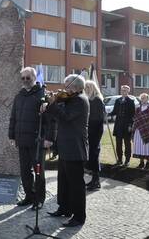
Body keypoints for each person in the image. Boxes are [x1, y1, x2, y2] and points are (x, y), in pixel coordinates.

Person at [9, 67, 57, 210]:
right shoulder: (19, 96)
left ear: (34, 78)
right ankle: (29, 196)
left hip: (37, 140)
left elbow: (51, 120)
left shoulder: (43, 95)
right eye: (22, 78)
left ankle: (39, 199)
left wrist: (49, 138)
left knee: (38, 171)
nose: (25, 80)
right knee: (25, 171)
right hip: (21, 140)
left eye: (28, 78)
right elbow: (13, 118)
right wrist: (11, 136)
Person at [46, 74, 89, 227]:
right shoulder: (69, 99)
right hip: (65, 147)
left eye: (67, 85)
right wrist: (50, 105)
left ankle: (79, 217)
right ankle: (64, 208)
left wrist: (53, 104)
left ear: (77, 87)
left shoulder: (80, 100)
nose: (64, 89)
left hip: (75, 148)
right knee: (63, 182)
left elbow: (66, 117)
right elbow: (57, 116)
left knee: (76, 185)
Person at [84, 80, 105, 191]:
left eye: (88, 87)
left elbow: (97, 118)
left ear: (93, 88)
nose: (86, 89)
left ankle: (96, 181)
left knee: (94, 154)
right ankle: (94, 179)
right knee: (91, 155)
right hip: (90, 130)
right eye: (85, 87)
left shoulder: (97, 100)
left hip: (95, 131)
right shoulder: (89, 99)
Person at [109, 85, 135, 166]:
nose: (123, 92)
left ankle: (127, 160)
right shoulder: (117, 101)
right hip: (118, 125)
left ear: (128, 92)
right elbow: (114, 111)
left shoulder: (131, 101)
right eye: (122, 90)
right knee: (118, 143)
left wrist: (130, 125)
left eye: (125, 90)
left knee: (127, 144)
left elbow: (132, 115)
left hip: (127, 125)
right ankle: (119, 160)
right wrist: (107, 113)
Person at [132, 93, 149, 170]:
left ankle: (148, 163)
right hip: (138, 130)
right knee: (140, 146)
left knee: (148, 147)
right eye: (142, 98)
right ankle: (141, 162)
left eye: (144, 98)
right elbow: (136, 118)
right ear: (140, 99)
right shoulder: (138, 109)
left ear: (147, 99)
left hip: (148, 130)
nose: (143, 100)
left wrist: (139, 120)